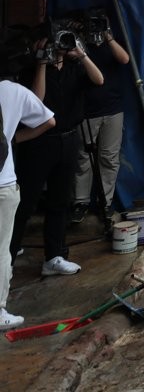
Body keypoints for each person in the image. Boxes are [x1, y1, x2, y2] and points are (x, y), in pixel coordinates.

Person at [11, 33, 103, 277]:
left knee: (60, 201)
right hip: (39, 142)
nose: (59, 48)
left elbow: (99, 79)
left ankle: (54, 256)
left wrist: (81, 54)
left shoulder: (75, 67)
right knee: (26, 201)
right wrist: (42, 62)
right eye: (54, 42)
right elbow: (36, 101)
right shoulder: (33, 69)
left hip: (69, 137)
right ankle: (8, 255)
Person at [0, 79, 55, 329]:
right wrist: (14, 139)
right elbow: (49, 120)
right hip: (4, 181)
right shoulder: (13, 90)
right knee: (1, 250)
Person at [71, 26, 130, 223]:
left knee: (109, 157)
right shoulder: (79, 46)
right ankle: (81, 201)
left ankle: (106, 200)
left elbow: (125, 59)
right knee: (83, 157)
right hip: (87, 110)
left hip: (113, 108)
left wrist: (108, 37)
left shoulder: (110, 45)